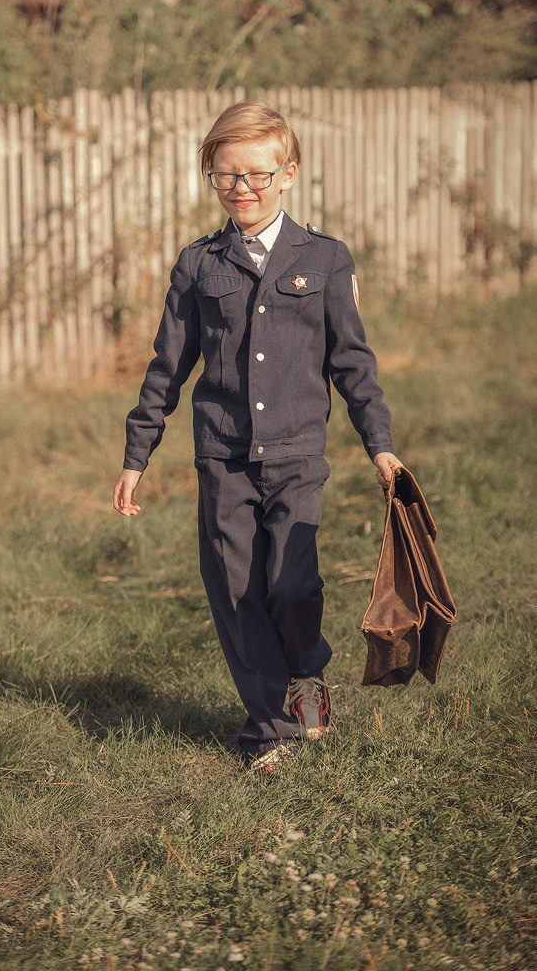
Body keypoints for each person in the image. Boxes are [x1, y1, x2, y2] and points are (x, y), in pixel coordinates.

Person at [112, 101, 402, 774]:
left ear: (290, 173)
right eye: (225, 178)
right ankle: (269, 731)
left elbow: (351, 362)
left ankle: (306, 670)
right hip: (223, 456)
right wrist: (137, 456)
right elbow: (167, 367)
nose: (242, 190)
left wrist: (378, 443)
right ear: (211, 178)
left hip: (298, 453)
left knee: (291, 585)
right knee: (237, 595)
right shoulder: (197, 266)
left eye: (257, 176)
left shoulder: (325, 259)